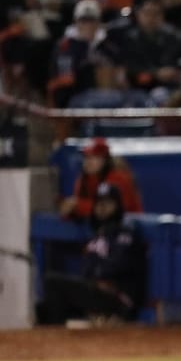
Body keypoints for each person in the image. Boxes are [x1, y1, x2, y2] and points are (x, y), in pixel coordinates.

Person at [37, 182, 148, 326]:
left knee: (52, 282)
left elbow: (119, 264)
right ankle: (59, 335)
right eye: (99, 203)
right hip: (98, 293)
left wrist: (97, 277)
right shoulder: (98, 233)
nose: (102, 208)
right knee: (43, 308)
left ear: (117, 205)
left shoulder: (124, 231)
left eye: (107, 203)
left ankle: (59, 335)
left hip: (118, 297)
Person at [59, 137, 145, 222]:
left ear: (105, 160)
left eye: (94, 157)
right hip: (98, 228)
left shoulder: (119, 178)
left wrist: (77, 206)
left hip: (129, 228)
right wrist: (68, 210)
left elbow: (109, 211)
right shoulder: (83, 179)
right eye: (86, 157)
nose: (88, 162)